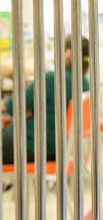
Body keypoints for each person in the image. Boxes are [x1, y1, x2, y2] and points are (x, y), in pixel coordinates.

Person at [2, 35, 89, 164]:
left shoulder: (51, 79)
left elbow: (12, 106)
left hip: (29, 145)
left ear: (68, 53)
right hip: (58, 149)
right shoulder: (85, 83)